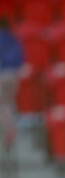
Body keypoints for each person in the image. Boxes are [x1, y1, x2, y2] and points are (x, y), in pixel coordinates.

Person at [0, 17, 24, 148]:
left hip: (3, 75)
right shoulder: (15, 39)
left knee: (3, 105)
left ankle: (8, 131)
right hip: (14, 75)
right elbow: (21, 59)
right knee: (9, 103)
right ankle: (12, 129)